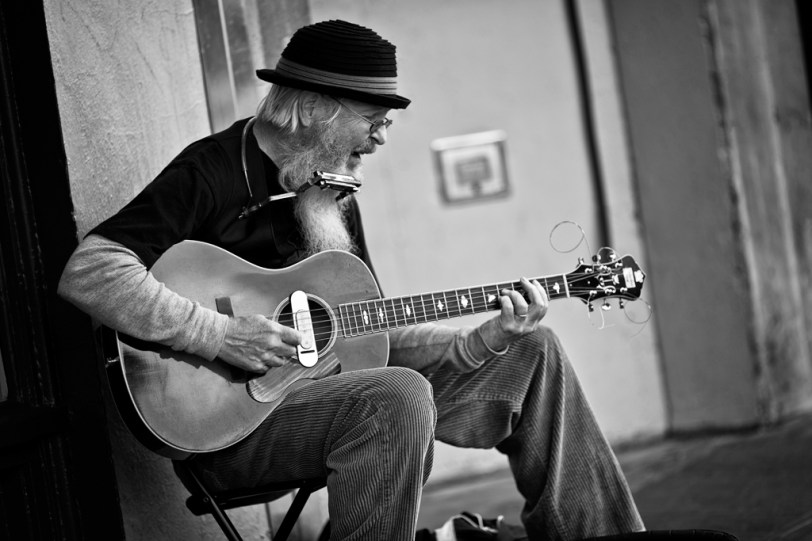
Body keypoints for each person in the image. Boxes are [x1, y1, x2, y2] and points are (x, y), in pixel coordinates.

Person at [58, 19, 644, 541]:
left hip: (333, 392)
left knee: (531, 350)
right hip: (227, 427)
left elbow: (366, 340)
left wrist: (482, 341)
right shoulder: (209, 171)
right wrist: (220, 333)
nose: (383, 137)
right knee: (397, 396)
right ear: (314, 107)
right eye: (374, 119)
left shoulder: (330, 194)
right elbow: (90, 271)